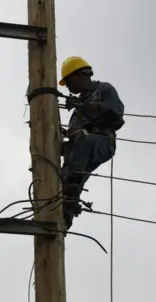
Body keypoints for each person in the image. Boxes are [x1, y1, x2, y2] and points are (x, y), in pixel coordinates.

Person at [58, 56, 125, 229]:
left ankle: (73, 182)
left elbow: (116, 117)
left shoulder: (103, 89)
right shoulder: (77, 108)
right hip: (80, 151)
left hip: (101, 141)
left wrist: (87, 107)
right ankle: (65, 216)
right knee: (62, 180)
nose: (69, 87)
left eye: (69, 81)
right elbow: (72, 142)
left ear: (80, 74)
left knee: (81, 149)